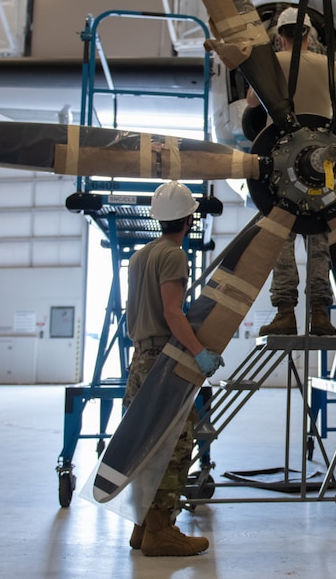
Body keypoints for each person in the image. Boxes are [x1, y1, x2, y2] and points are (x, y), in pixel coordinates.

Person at [123, 180, 224, 557]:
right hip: (162, 361)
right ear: (188, 218)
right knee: (173, 445)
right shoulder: (172, 256)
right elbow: (171, 311)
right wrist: (199, 351)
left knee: (143, 443)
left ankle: (144, 526)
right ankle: (161, 530)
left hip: (139, 359)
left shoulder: (140, 255)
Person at [247, 7, 336, 336]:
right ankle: (321, 316)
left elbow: (251, 102)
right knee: (321, 241)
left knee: (280, 240)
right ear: (310, 37)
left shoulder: (274, 64)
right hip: (324, 166)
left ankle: (285, 312)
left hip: (283, 166)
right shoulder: (331, 66)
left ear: (279, 36)